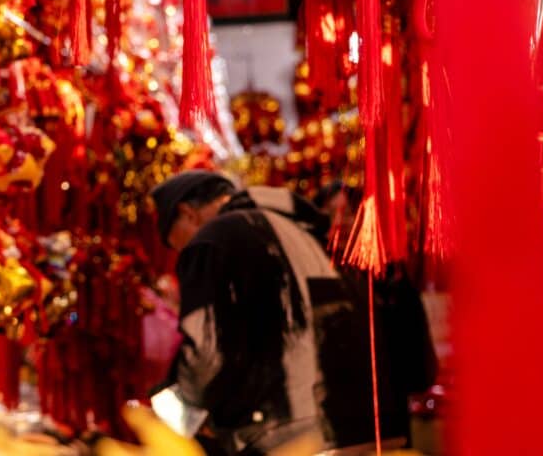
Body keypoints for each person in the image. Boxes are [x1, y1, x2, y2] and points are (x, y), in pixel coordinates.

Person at [152, 171, 403, 455]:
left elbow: (205, 350)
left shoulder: (214, 239)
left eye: (178, 243)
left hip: (291, 437)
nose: (183, 249)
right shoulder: (306, 230)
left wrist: (179, 414)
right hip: (372, 427)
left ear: (188, 215)